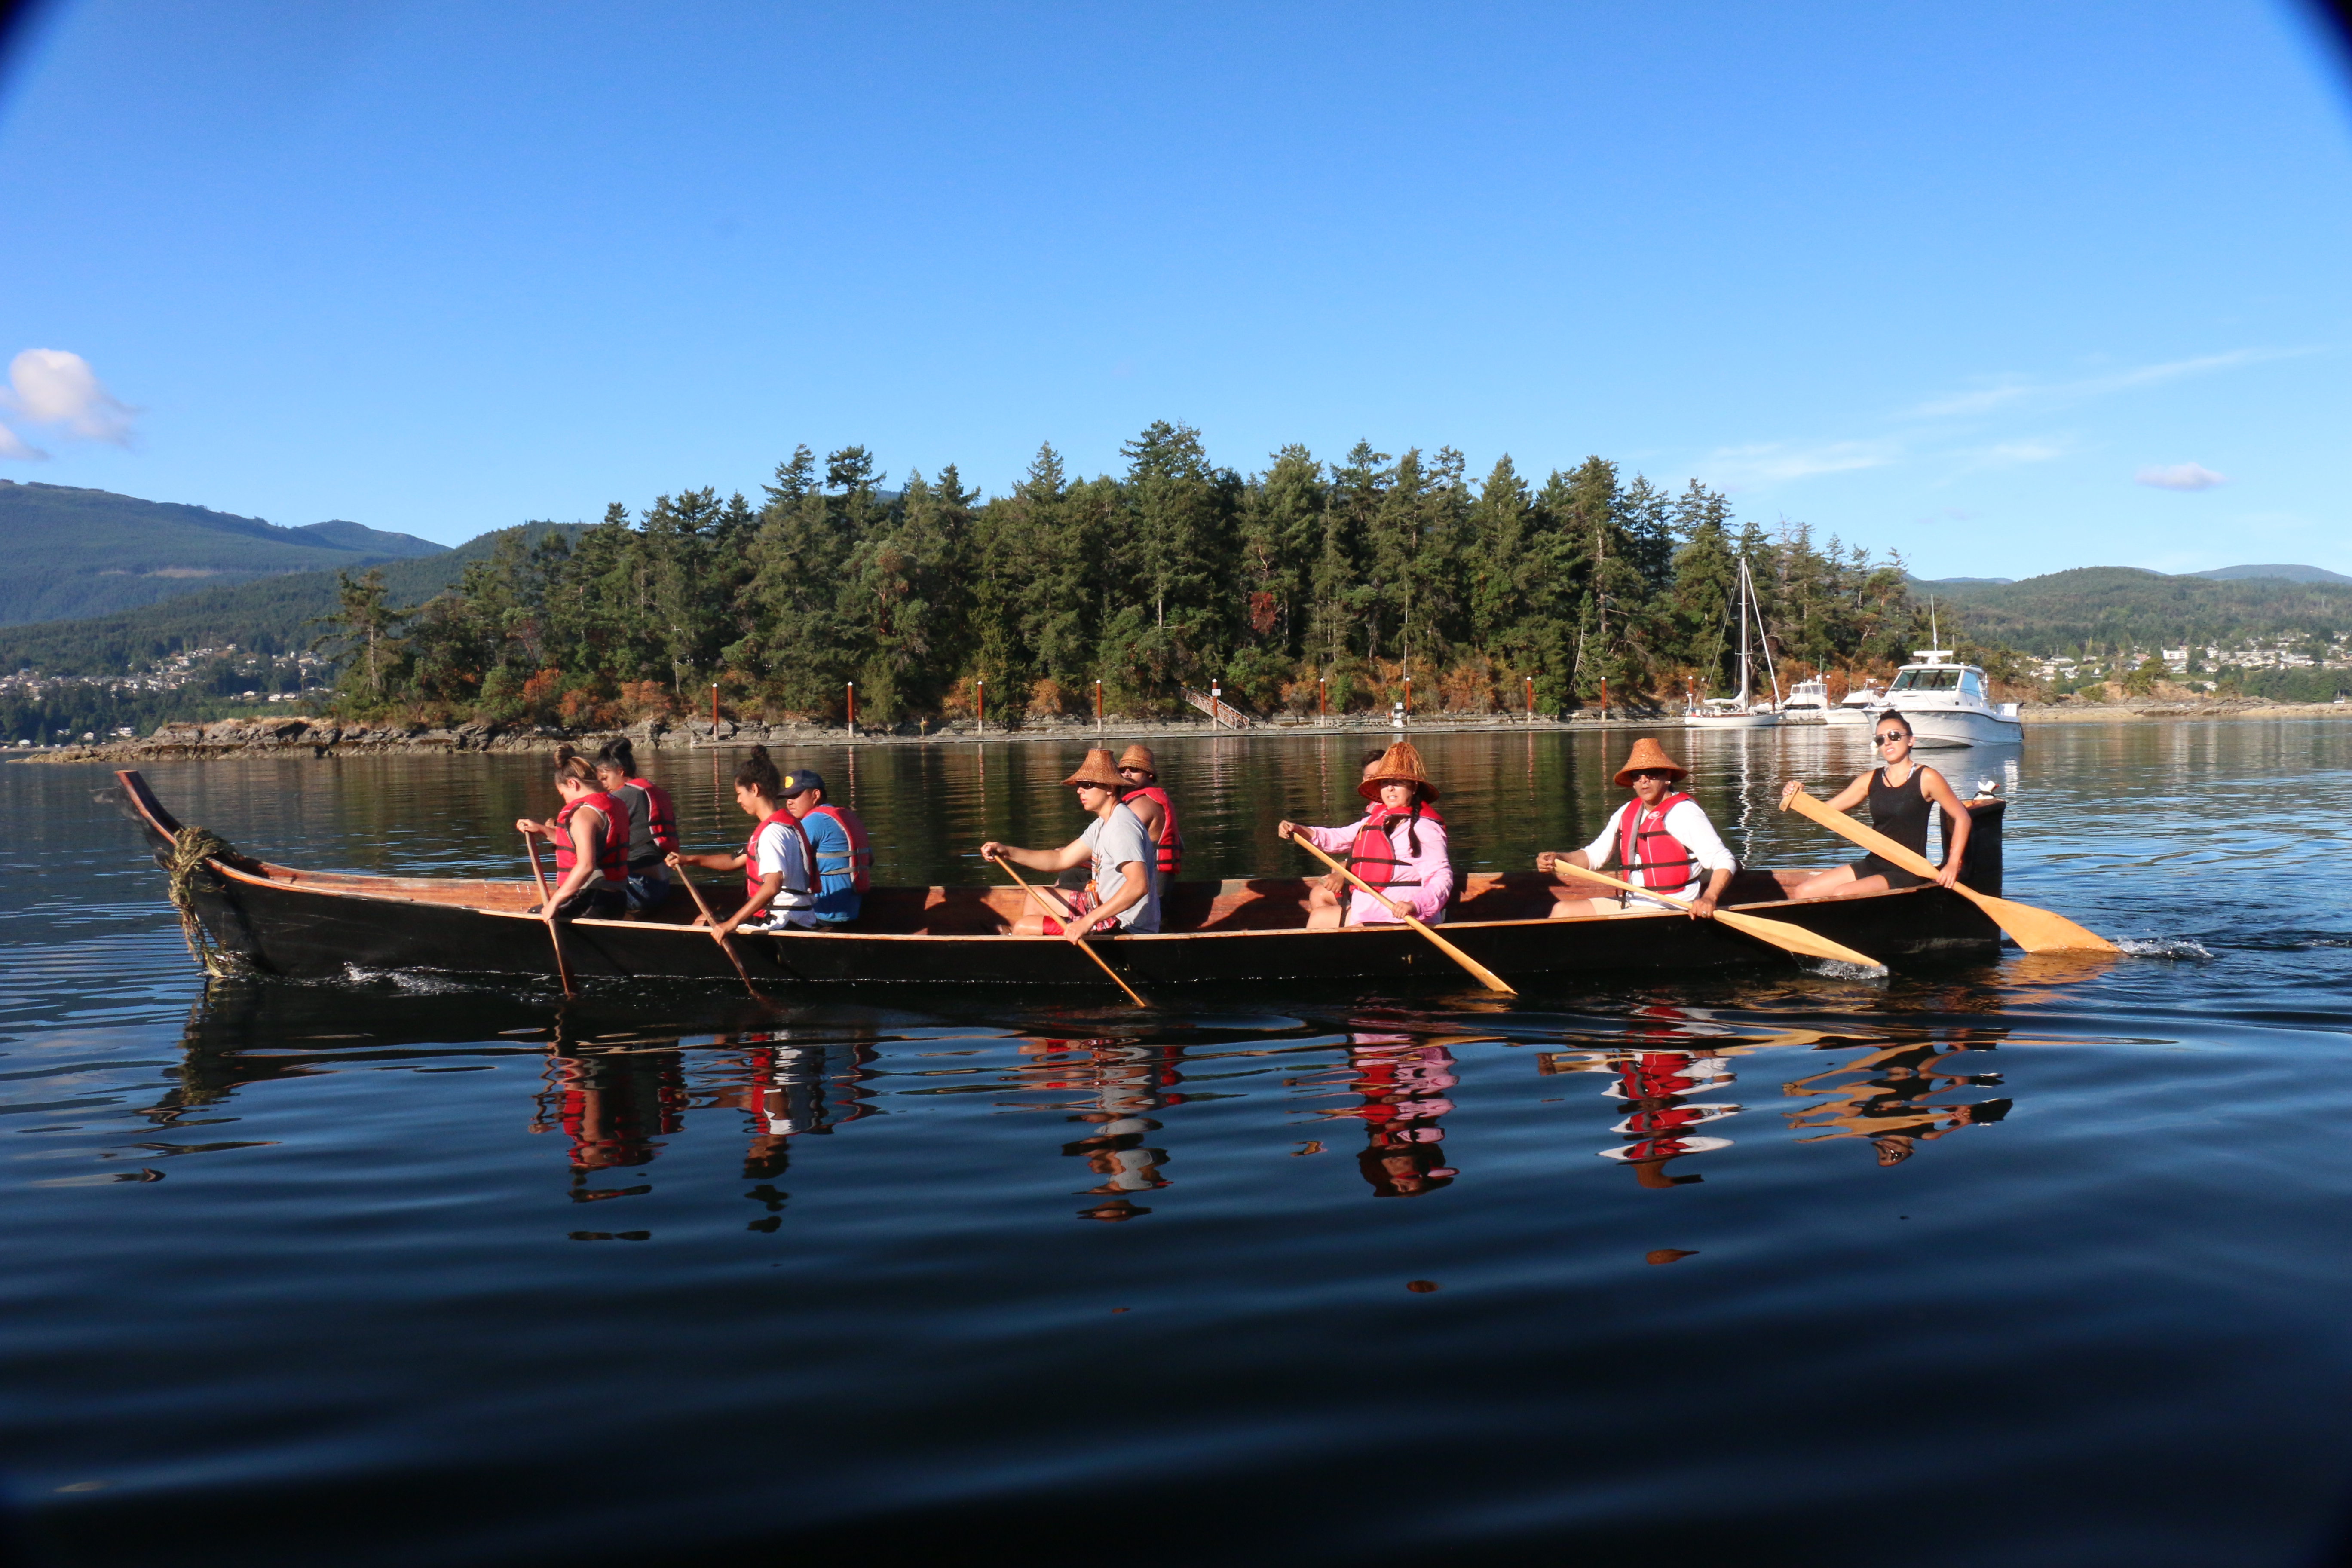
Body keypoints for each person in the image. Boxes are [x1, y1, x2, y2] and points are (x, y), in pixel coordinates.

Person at [1536, 737, 1736, 918]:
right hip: (1632, 903)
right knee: (1562, 910)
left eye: (1651, 773)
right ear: (1632, 782)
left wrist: (1709, 898)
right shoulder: (1627, 812)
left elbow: (1724, 860)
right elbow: (1594, 856)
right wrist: (1560, 858)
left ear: (1667, 776)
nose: (1644, 780)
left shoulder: (1684, 813)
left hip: (1672, 908)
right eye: (1637, 775)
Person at [1779, 710, 1971, 899]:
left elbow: (1962, 817)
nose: (1887, 742)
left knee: (1843, 893)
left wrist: (1953, 863)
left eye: (1894, 736)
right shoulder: (1869, 780)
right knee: (1803, 892)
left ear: (1911, 740)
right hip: (1875, 863)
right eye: (1880, 739)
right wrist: (1797, 797)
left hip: (1910, 869)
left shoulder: (1928, 778)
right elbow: (1823, 813)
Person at [979, 748, 1161, 940]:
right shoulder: (1104, 822)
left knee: (1025, 926)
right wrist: (1007, 851)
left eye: (1088, 784)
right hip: (1102, 909)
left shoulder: (1122, 827)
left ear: (1110, 788)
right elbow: (1060, 859)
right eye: (1080, 784)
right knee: (1036, 897)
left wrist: (1087, 921)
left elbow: (1139, 885)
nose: (1079, 790)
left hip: (1124, 926)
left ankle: (1026, 945)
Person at [1278, 741, 1453, 930]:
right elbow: (1339, 837)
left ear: (1414, 787)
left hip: (1402, 916)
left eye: (1398, 783)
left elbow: (1441, 877)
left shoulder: (1424, 827)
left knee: (1320, 919)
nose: (1390, 789)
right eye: (1386, 783)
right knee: (1320, 914)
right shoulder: (1377, 819)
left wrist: (1415, 905)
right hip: (1370, 910)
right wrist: (1300, 830)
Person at [668, 746, 819, 937]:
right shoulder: (783, 824)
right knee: (702, 919)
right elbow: (735, 861)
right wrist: (688, 860)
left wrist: (732, 923)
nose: (738, 800)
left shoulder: (772, 833)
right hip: (795, 915)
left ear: (755, 789)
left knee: (702, 927)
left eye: (740, 793)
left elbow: (772, 886)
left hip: (783, 920)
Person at [515, 744, 630, 920]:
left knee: (529, 916)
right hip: (616, 899)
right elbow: (582, 842)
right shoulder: (615, 804)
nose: (565, 800)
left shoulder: (583, 813)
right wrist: (542, 830)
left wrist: (554, 902)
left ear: (573, 784)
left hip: (591, 900)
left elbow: (586, 866)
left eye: (563, 794)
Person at [593, 737, 679, 916]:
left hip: (639, 888)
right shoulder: (652, 791)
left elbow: (589, 833)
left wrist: (550, 830)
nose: (604, 785)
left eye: (605, 778)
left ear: (621, 771)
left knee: (583, 890)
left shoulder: (623, 797)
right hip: (661, 886)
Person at [779, 768, 871, 926]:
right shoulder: (846, 816)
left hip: (825, 913)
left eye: (796, 795)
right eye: (787, 797)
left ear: (816, 795)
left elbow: (781, 860)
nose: (789, 802)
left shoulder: (814, 821)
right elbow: (870, 859)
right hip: (852, 909)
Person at [1113, 744, 1182, 899]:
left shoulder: (1141, 805)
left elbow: (1113, 845)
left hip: (1150, 892)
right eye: (1123, 770)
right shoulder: (1148, 799)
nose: (1127, 774)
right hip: (1157, 884)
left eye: (1135, 770)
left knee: (1072, 873)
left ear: (1150, 774)